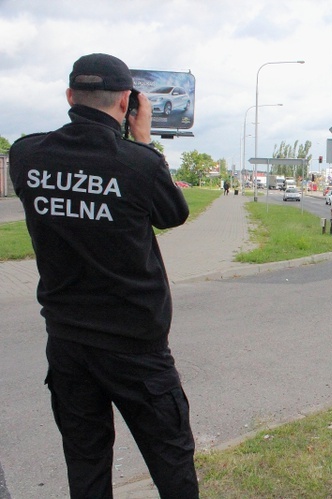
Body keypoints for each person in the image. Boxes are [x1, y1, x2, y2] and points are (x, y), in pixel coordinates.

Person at [9, 53, 199, 498]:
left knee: (86, 463)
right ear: (128, 102)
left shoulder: (26, 154)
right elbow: (172, 215)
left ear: (71, 96)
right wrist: (143, 138)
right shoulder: (139, 164)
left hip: (69, 345)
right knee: (171, 461)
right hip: (136, 350)